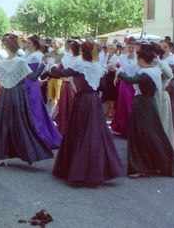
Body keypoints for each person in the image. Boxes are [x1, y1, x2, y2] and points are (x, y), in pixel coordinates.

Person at [49, 40, 124, 185]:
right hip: (94, 100)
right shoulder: (97, 66)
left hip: (82, 100)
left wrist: (50, 66)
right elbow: (102, 85)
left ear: (82, 52)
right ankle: (97, 169)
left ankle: (80, 171)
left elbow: (62, 73)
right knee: (94, 132)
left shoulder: (80, 65)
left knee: (81, 132)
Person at [0, 33, 53, 166]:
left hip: (5, 95)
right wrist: (43, 65)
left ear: (7, 49)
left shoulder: (1, 62)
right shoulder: (21, 61)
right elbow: (33, 77)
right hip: (19, 94)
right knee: (23, 124)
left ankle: (1, 155)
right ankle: (29, 154)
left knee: (2, 124)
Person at [117, 44, 174, 178]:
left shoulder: (154, 68)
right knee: (150, 133)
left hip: (156, 100)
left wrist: (159, 63)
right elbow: (132, 73)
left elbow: (169, 75)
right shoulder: (146, 69)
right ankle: (151, 163)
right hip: (149, 101)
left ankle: (157, 162)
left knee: (156, 132)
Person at [24, 35, 61, 148]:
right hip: (28, 83)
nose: (27, 45)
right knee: (31, 110)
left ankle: (37, 136)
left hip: (31, 84)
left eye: (29, 43)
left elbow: (38, 72)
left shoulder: (36, 55)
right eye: (27, 43)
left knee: (34, 110)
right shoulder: (29, 54)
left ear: (35, 45)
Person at [111, 39, 138, 137]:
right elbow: (119, 68)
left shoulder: (138, 58)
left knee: (131, 106)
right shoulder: (122, 57)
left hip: (134, 85)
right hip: (124, 84)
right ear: (126, 47)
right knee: (123, 105)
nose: (131, 49)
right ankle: (122, 128)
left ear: (135, 48)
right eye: (129, 47)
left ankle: (131, 129)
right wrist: (116, 75)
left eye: (132, 47)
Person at [53, 40, 80, 135]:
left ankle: (73, 127)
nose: (71, 50)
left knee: (73, 106)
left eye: (73, 48)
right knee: (64, 106)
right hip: (67, 84)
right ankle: (65, 126)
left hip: (75, 86)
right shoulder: (66, 58)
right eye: (70, 48)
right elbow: (60, 69)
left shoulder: (80, 59)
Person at [100, 43, 119, 118]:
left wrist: (107, 66)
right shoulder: (106, 56)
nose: (110, 50)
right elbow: (103, 65)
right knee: (107, 94)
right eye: (108, 48)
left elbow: (112, 66)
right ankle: (108, 109)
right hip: (106, 76)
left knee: (112, 94)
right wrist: (106, 66)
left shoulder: (116, 57)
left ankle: (111, 111)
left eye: (111, 48)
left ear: (114, 49)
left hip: (112, 76)